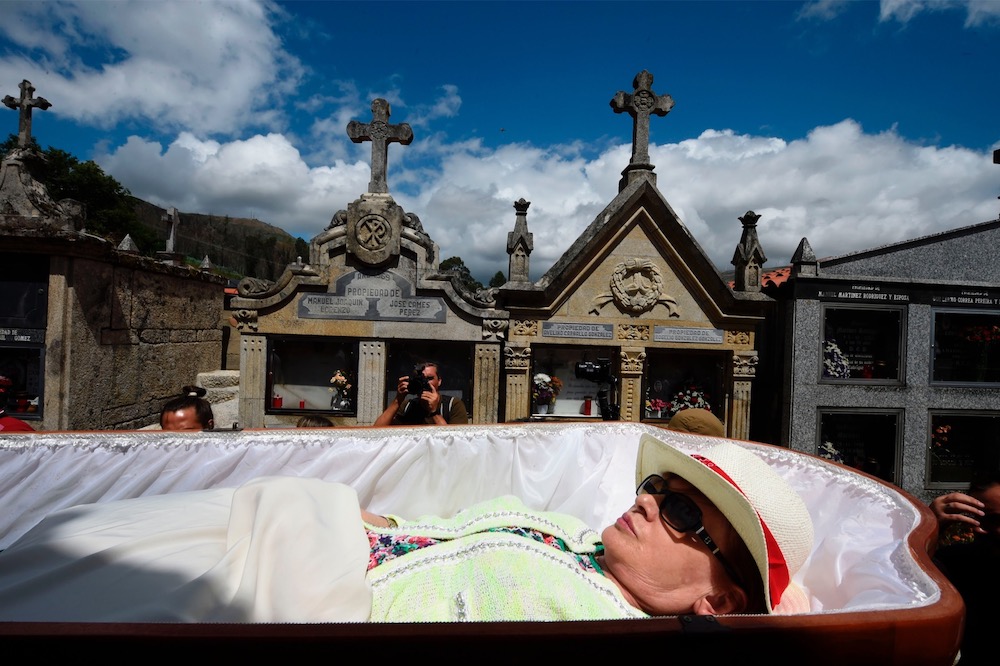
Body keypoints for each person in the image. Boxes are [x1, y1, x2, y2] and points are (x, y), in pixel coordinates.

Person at [0, 434, 813, 622]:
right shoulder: (572, 531)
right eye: (657, 487)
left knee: (69, 597)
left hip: (302, 601)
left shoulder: (604, 630)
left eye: (682, 513)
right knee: (73, 534)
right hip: (302, 521)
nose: (650, 502)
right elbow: (429, 525)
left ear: (721, 601)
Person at [930, 471, 1000, 666]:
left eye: (995, 520)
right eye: (975, 518)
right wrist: (927, 529)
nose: (979, 529)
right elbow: (904, 585)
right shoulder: (958, 562)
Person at [373, 361, 468, 426]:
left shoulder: (453, 405)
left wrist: (434, 412)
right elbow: (376, 432)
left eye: (429, 379)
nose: (425, 383)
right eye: (421, 380)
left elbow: (454, 442)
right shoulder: (407, 406)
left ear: (439, 381)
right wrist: (398, 400)